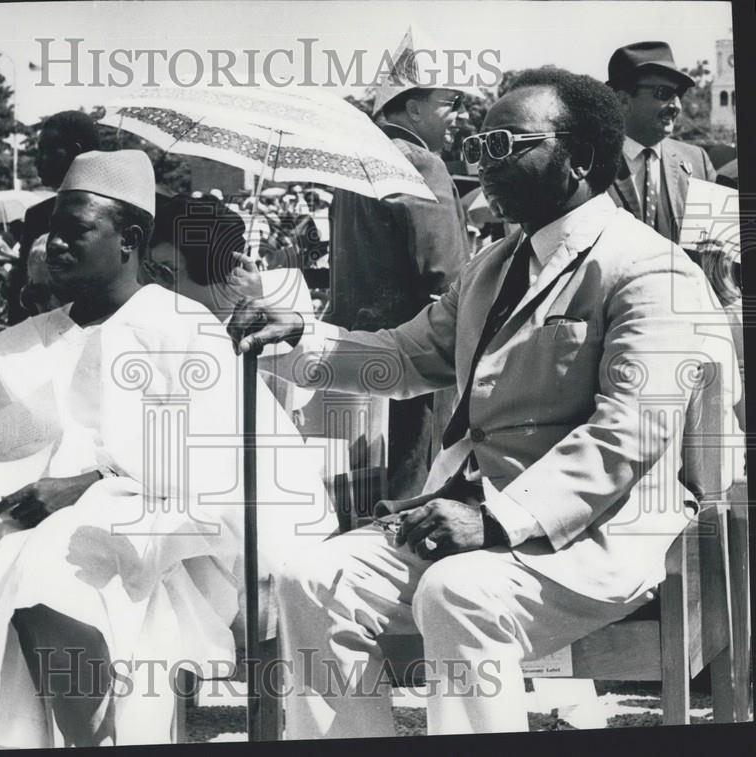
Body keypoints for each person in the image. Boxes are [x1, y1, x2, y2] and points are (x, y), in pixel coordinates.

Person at [228, 67, 740, 737]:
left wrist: (499, 519)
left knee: (457, 589)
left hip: (599, 535)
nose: (483, 162)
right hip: (476, 523)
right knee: (311, 577)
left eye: (507, 143)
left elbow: (630, 429)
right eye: (479, 145)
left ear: (579, 158)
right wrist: (300, 338)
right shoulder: (493, 266)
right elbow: (407, 355)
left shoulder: (647, 267)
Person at [0, 150, 326, 751]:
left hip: (162, 527)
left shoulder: (180, 327)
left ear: (129, 239)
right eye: (51, 231)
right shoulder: (35, 334)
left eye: (75, 231)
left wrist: (81, 484)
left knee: (52, 564)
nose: (54, 244)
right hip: (4, 513)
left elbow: (207, 473)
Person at [328, 70, 473, 500]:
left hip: (352, 348)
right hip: (414, 356)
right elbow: (447, 275)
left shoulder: (356, 156)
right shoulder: (421, 160)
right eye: (450, 103)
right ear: (413, 107)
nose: (458, 116)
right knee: (410, 487)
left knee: (363, 482)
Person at [605, 41, 717, 243]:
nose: (677, 106)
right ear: (623, 101)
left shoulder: (697, 161)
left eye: (678, 95)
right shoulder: (590, 163)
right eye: (664, 94)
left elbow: (721, 255)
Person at [9, 110, 101, 325]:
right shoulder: (37, 215)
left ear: (75, 153)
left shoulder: (41, 216)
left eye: (46, 150)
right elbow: (23, 296)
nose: (37, 160)